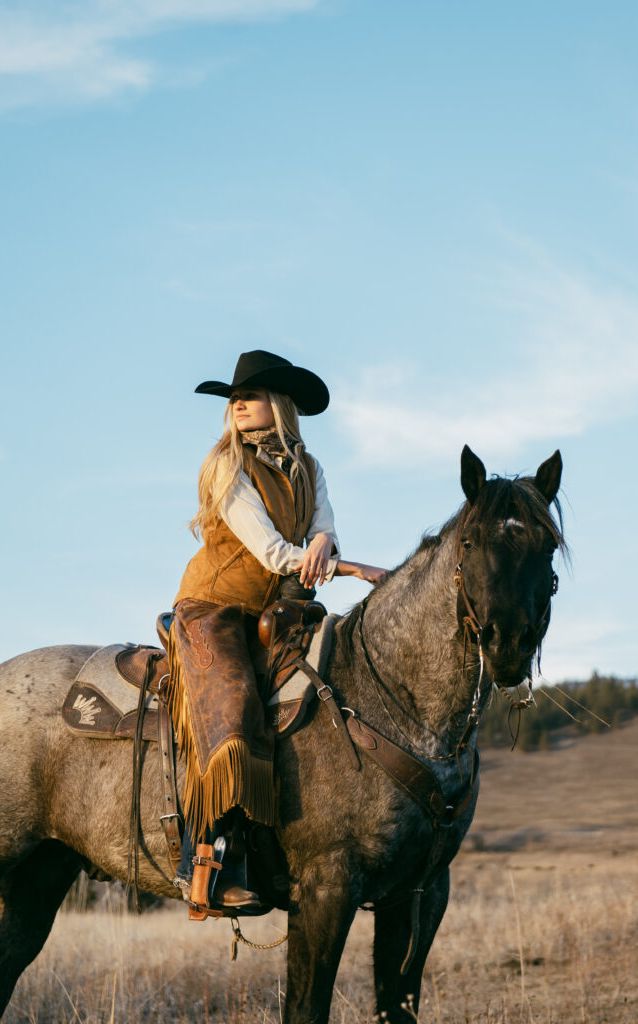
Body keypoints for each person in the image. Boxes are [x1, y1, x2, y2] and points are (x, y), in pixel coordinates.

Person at [168, 350, 386, 914]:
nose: (239, 402)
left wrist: (325, 543)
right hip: (215, 609)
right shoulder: (227, 465)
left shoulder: (309, 468)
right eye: (235, 397)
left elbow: (323, 527)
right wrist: (350, 567)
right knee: (235, 712)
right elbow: (270, 550)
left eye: (253, 394)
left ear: (280, 405)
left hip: (283, 611)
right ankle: (213, 864)